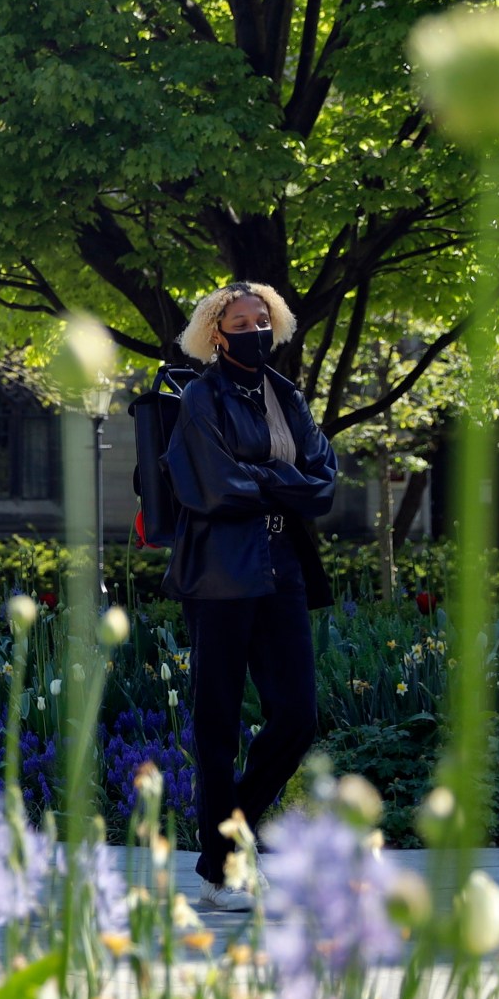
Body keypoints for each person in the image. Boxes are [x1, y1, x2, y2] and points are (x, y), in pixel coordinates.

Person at [162, 281, 338, 912]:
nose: (254, 329)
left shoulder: (286, 395)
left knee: (296, 717)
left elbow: (323, 484)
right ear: (217, 331)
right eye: (240, 320)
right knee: (217, 722)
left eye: (262, 319)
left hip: (282, 565)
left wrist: (265, 480)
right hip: (219, 573)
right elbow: (214, 489)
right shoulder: (199, 400)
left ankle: (224, 845)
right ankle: (223, 871)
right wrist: (281, 480)